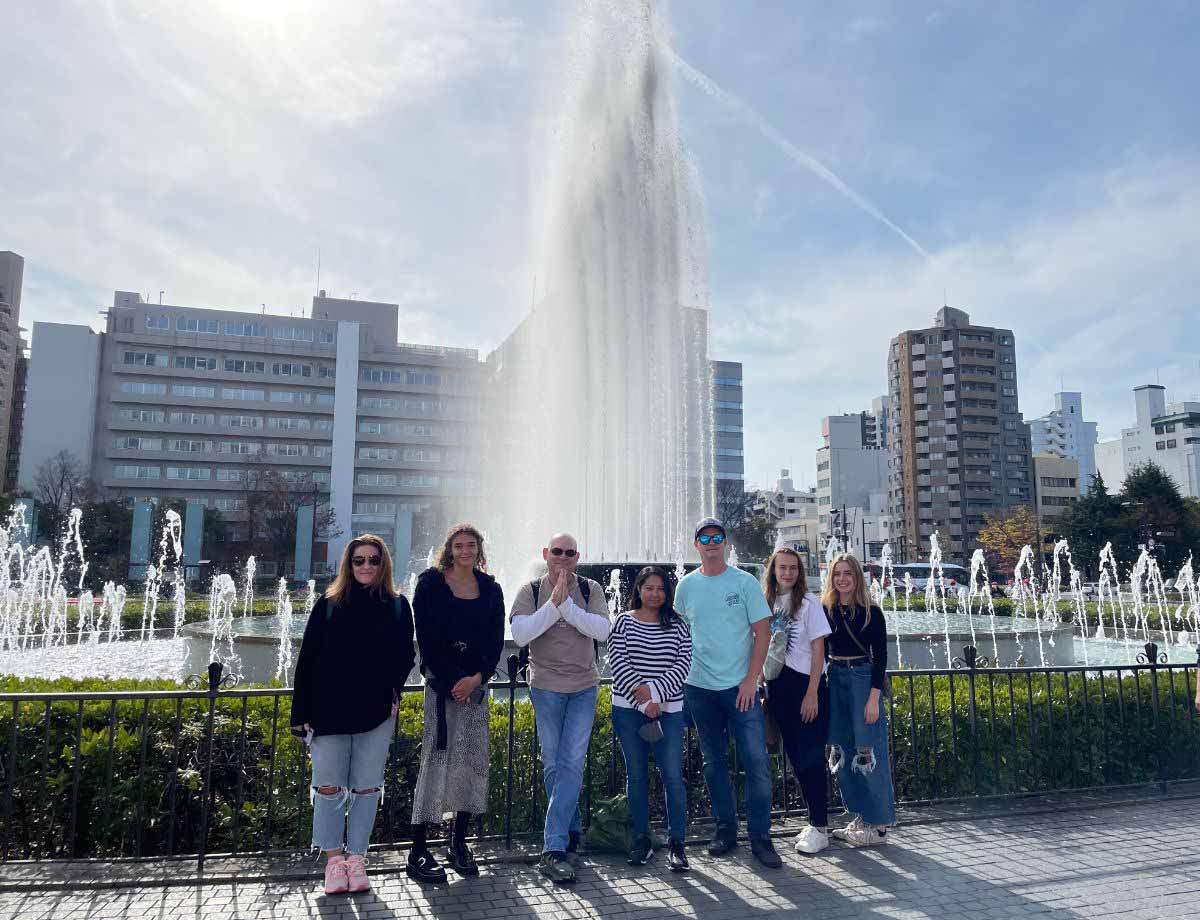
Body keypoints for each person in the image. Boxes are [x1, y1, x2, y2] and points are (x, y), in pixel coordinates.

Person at [291, 535, 415, 895]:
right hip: (327, 710)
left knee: (366, 788)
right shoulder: (328, 604)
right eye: (358, 560)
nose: (365, 566)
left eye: (373, 560)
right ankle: (333, 861)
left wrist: (393, 689)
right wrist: (300, 714)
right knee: (328, 787)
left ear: (383, 564)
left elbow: (406, 655)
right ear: (349, 564)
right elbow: (307, 661)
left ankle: (357, 858)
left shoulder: (396, 606)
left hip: (375, 711)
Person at [675, 518, 782, 868]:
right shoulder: (686, 586)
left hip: (741, 689)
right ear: (696, 545)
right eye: (704, 537)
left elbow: (763, 634)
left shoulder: (744, 582)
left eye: (716, 537)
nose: (710, 542)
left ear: (725, 543)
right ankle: (725, 829)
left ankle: (761, 837)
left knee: (756, 762)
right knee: (714, 763)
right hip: (699, 688)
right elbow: (677, 635)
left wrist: (752, 680)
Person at [510, 533, 610, 884]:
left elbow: (601, 629)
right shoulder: (530, 590)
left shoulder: (591, 588)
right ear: (546, 554)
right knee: (554, 765)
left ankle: (552, 849)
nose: (563, 558)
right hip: (546, 688)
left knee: (570, 762)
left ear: (577, 557)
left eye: (569, 553)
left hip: (583, 687)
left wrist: (566, 605)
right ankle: (571, 831)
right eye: (557, 552)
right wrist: (552, 606)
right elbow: (522, 633)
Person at [407, 523, 505, 883]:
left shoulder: (491, 588)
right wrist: (452, 682)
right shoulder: (430, 583)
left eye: (471, 545)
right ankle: (418, 849)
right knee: (435, 760)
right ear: (449, 549)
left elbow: (495, 639)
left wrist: (477, 678)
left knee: (471, 764)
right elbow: (426, 636)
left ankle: (458, 843)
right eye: (459, 545)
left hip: (476, 689)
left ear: (479, 550)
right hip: (440, 688)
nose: (465, 551)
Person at [607, 566, 693, 871]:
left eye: (660, 588)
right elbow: (618, 663)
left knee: (672, 776)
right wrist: (644, 704)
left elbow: (683, 664)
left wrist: (655, 694)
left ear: (667, 593)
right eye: (649, 588)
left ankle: (677, 844)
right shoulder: (623, 622)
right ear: (639, 590)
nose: (655, 593)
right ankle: (641, 840)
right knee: (637, 776)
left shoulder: (678, 626)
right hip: (629, 712)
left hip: (668, 712)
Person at [822, 552, 896, 846]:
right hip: (835, 677)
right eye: (837, 573)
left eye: (848, 574)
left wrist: (873, 698)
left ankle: (879, 826)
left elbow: (881, 658)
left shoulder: (871, 612)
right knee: (842, 749)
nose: (842, 579)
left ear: (857, 578)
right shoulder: (826, 610)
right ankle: (860, 815)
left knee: (868, 750)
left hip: (862, 678)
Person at [762, 547, 832, 855]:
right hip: (779, 686)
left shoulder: (809, 603)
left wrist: (813, 693)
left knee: (812, 758)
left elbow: (819, 650)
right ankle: (814, 821)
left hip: (806, 684)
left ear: (799, 572)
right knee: (796, 757)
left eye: (793, 568)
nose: (787, 573)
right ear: (773, 571)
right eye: (782, 568)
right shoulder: (767, 602)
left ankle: (820, 826)